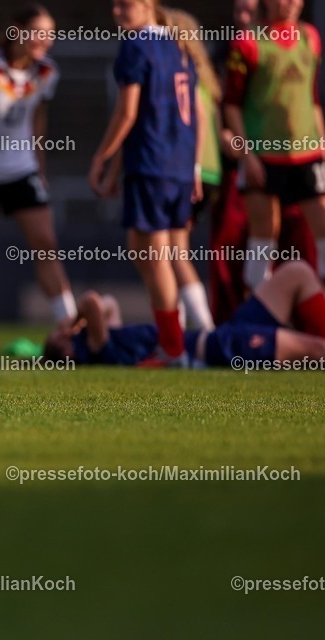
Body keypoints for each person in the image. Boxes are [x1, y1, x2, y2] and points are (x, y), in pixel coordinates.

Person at [89, 0, 203, 366]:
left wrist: (101, 157)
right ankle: (175, 338)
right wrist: (195, 166)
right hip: (177, 166)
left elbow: (128, 112)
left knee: (156, 259)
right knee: (146, 250)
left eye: (127, 5)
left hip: (154, 166)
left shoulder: (136, 45)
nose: (118, 12)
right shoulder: (178, 46)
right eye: (115, 5)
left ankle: (174, 348)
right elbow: (190, 114)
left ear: (150, 5)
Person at [0, 4, 76, 351]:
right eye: (39, 32)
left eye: (51, 33)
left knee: (46, 245)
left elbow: (37, 122)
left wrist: (39, 169)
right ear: (18, 32)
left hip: (21, 170)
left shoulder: (47, 73)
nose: (46, 40)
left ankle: (70, 326)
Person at [43, 260, 325, 367]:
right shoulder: (95, 350)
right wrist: (75, 321)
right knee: (316, 350)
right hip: (217, 350)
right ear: (66, 347)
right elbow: (91, 302)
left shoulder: (108, 340)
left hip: (219, 335)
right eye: (61, 335)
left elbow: (108, 305)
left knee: (296, 273)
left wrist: (79, 322)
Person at [223, 0, 325, 289]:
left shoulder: (310, 38)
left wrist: (322, 141)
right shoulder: (248, 43)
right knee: (264, 234)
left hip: (307, 154)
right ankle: (257, 318)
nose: (291, 3)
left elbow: (312, 98)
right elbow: (231, 106)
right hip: (263, 157)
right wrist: (247, 155)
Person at [164, 7, 216, 332]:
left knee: (174, 253)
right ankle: (177, 331)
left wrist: (193, 168)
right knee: (169, 253)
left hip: (189, 172)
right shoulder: (203, 77)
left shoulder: (183, 76)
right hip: (205, 173)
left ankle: (204, 330)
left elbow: (197, 126)